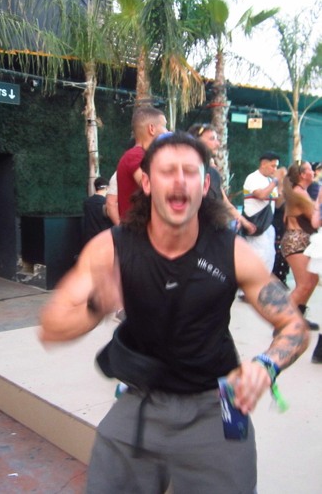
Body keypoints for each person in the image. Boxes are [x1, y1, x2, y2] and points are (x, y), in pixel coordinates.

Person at [39, 132, 308, 493]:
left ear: (205, 185)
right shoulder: (111, 249)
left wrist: (266, 365)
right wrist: (96, 306)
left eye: (190, 172)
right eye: (167, 171)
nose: (180, 180)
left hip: (217, 402)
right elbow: (50, 327)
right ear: (148, 183)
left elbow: (294, 325)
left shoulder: (232, 252)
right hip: (141, 399)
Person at [187, 123, 256, 235]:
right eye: (212, 139)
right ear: (196, 140)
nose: (218, 144)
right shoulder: (189, 170)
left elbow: (223, 201)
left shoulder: (213, 172)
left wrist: (244, 222)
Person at [280, 161, 322, 331]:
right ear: (302, 175)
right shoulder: (299, 194)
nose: (314, 172)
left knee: (311, 280)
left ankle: (297, 317)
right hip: (296, 242)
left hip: (300, 241)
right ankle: (282, 322)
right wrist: (319, 202)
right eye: (310, 170)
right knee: (304, 284)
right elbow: (316, 218)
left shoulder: (298, 192)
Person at [116, 107, 167, 220]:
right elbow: (154, 189)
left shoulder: (138, 155)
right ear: (151, 129)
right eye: (164, 126)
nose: (167, 131)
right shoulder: (135, 156)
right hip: (137, 227)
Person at [242, 152, 286, 273]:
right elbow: (261, 195)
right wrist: (275, 182)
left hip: (267, 225)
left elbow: (277, 203)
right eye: (273, 166)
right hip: (256, 224)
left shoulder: (270, 181)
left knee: (269, 257)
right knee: (258, 257)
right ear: (263, 164)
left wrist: (282, 185)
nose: (274, 169)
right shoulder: (253, 178)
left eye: (276, 166)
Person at [83, 176, 112, 244]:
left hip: (89, 240)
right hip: (103, 240)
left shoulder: (86, 202)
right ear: (107, 188)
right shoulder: (107, 203)